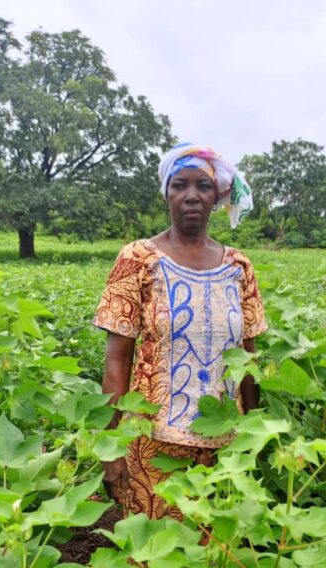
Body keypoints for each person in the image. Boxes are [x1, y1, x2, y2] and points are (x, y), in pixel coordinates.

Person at [93, 142, 268, 519]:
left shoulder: (239, 266)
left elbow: (249, 357)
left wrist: (256, 436)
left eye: (203, 187)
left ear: (218, 197)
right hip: (150, 444)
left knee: (216, 559)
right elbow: (116, 363)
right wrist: (111, 447)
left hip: (226, 445)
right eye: (180, 185)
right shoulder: (137, 259)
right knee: (154, 560)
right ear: (166, 194)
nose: (191, 196)